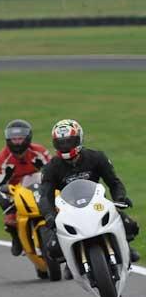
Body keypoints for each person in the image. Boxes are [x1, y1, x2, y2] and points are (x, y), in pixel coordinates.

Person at [38, 119, 140, 280]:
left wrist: (120, 197)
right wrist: (50, 216)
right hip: (69, 211)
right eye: (61, 142)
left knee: (131, 226)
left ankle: (125, 246)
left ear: (79, 139)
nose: (65, 146)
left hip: (98, 205)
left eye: (69, 141)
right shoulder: (51, 168)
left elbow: (113, 182)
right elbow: (45, 195)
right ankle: (72, 260)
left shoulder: (96, 157)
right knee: (53, 249)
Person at [0, 120, 51, 256]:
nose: (17, 142)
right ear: (8, 139)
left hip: (39, 188)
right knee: (10, 220)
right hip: (15, 192)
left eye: (20, 138)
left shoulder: (40, 152)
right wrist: (8, 203)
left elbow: (53, 171)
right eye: (14, 139)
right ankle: (16, 238)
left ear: (28, 138)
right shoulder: (1, 159)